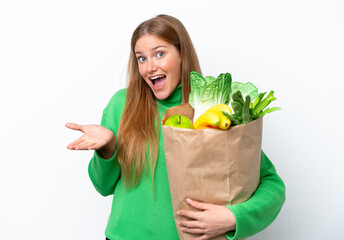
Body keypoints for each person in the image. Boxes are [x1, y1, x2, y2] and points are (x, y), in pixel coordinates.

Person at [66, 14, 285, 240]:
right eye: (141, 58)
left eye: (159, 54)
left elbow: (271, 184)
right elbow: (103, 187)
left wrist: (233, 217)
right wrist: (107, 148)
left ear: (182, 54)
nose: (150, 67)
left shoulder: (213, 108)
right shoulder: (121, 104)